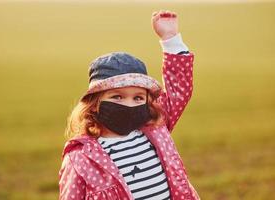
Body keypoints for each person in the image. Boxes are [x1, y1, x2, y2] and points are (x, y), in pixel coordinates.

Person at [58, 10, 200, 200]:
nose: (128, 104)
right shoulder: (81, 159)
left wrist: (170, 39)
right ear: (94, 104)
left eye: (138, 98)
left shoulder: (155, 127)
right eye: (117, 97)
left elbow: (178, 91)